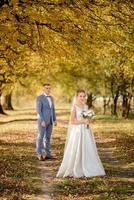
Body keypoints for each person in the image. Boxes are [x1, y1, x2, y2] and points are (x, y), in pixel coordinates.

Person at [57, 89, 105, 177]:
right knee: (77, 147)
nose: (82, 98)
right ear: (77, 97)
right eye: (80, 96)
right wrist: (83, 121)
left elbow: (88, 119)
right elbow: (72, 121)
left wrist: (90, 119)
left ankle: (88, 165)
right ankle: (76, 166)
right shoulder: (74, 107)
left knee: (87, 146)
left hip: (86, 130)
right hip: (78, 131)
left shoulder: (86, 106)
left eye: (84, 96)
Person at [36, 83, 57, 161]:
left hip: (50, 121)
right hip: (43, 121)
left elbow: (53, 109)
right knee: (40, 137)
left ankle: (48, 154)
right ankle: (39, 154)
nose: (48, 89)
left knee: (48, 137)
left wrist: (54, 119)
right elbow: (38, 110)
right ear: (43, 89)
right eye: (46, 88)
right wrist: (42, 120)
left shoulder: (51, 98)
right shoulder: (39, 98)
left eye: (49, 88)